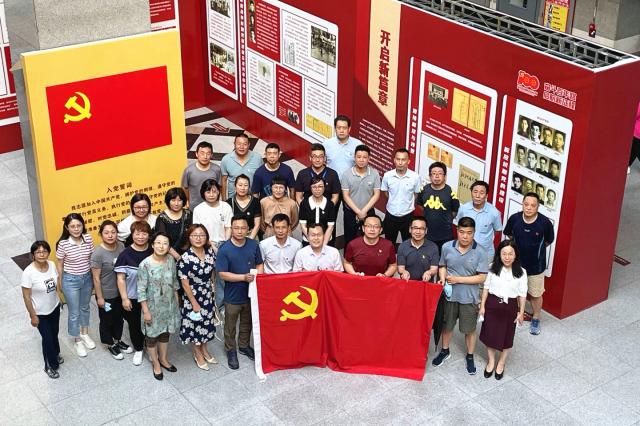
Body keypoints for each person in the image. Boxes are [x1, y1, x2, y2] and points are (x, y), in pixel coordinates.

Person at [431, 217, 488, 375]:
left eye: (469, 233)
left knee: (469, 329)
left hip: (469, 298)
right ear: (457, 231)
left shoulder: (481, 252)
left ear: (474, 233)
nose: (465, 236)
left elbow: (482, 277)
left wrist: (458, 279)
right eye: (462, 232)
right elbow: (442, 265)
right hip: (449, 296)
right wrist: (443, 277)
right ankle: (445, 350)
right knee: (447, 325)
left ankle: (470, 356)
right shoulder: (447, 247)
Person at [216, 215, 264, 370]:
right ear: (231, 228)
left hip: (251, 293)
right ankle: (230, 350)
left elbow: (259, 263)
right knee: (230, 324)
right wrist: (243, 277)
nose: (239, 231)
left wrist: (258, 277)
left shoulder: (253, 244)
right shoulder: (224, 249)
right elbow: (222, 274)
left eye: (243, 228)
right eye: (236, 228)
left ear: (248, 229)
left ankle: (244, 345)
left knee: (247, 321)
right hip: (232, 295)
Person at [503, 192, 555, 335]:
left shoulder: (545, 223)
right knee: (515, 290)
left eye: (533, 205)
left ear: (538, 207)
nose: (529, 208)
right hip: (516, 264)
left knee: (535, 294)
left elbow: (548, 240)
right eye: (526, 204)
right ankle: (517, 313)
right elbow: (510, 235)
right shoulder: (515, 219)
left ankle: (536, 318)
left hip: (536, 267)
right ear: (522, 204)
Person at [479, 240, 527, 380]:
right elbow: (486, 288)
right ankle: (491, 361)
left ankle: (501, 363)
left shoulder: (521, 272)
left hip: (510, 307)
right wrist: (482, 306)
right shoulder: (492, 268)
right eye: (504, 254)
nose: (507, 257)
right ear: (499, 255)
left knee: (507, 336)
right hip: (492, 304)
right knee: (490, 334)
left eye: (510, 254)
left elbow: (522, 294)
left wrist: (521, 312)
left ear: (515, 255)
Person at [137, 232, 181, 381]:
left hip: (168, 306)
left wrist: (176, 305)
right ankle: (155, 363)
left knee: (165, 333)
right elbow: (141, 290)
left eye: (165, 243)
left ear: (169, 247)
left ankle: (163, 359)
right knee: (152, 336)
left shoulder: (170, 260)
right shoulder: (145, 264)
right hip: (152, 307)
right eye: (158, 243)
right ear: (153, 245)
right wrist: (146, 311)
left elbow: (174, 283)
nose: (161, 246)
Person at [178, 225, 218, 371]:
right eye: (195, 235)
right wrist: (194, 302)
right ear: (189, 237)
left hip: (207, 292)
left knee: (207, 322)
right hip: (192, 295)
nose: (198, 238)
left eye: (202, 235)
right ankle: (197, 353)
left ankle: (205, 349)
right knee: (195, 325)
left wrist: (213, 287)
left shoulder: (210, 252)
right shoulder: (185, 257)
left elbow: (212, 271)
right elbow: (184, 283)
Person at [55, 213, 95, 357]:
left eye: (79, 225)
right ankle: (77, 340)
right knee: (74, 312)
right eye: (72, 226)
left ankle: (84, 333)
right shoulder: (63, 244)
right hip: (70, 280)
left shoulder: (88, 238)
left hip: (87, 278)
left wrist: (94, 278)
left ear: (83, 225)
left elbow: (91, 259)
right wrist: (60, 282)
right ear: (67, 228)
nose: (76, 229)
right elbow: (60, 264)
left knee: (85, 307)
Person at [114, 221, 153, 366]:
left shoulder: (154, 251)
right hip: (133, 296)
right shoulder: (125, 254)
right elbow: (121, 279)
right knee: (135, 324)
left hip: (152, 297)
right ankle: (138, 349)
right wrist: (124, 298)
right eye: (137, 233)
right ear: (132, 234)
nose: (141, 237)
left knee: (152, 323)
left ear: (149, 235)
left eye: (144, 233)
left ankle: (151, 347)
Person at [21, 241, 62, 378]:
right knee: (47, 338)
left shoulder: (51, 264)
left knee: (54, 333)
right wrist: (33, 315)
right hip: (40, 313)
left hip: (54, 307)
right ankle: (49, 365)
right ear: (33, 255)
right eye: (38, 252)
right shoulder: (28, 273)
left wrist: (59, 300)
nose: (41, 254)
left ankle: (55, 354)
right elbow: (26, 297)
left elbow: (55, 285)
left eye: (44, 251)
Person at [91, 220, 129, 360]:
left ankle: (118, 340)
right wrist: (100, 297)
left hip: (120, 292)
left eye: (113, 232)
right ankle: (109, 343)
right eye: (106, 233)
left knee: (119, 318)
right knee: (107, 319)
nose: (110, 235)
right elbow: (96, 278)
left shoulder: (121, 246)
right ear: (101, 234)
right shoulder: (98, 253)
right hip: (106, 294)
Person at [193, 179, 232, 309]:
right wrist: (211, 245)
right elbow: (198, 231)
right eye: (208, 191)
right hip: (205, 246)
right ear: (203, 193)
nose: (211, 194)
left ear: (218, 192)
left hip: (224, 245)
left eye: (214, 191)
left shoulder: (225, 206)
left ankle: (221, 307)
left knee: (222, 277)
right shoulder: (198, 209)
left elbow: (228, 227)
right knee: (207, 277)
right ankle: (208, 306)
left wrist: (225, 245)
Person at [341, 144, 381, 246]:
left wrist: (364, 211)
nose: (361, 160)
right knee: (349, 239)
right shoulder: (346, 174)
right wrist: (358, 212)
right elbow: (345, 196)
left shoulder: (374, 174)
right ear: (354, 158)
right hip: (351, 211)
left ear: (369, 159)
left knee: (370, 238)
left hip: (368, 211)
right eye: (359, 157)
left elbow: (376, 194)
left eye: (364, 157)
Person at [381, 148, 422, 246]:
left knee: (409, 244)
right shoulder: (387, 176)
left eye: (403, 159)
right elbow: (386, 192)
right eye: (398, 159)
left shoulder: (415, 177)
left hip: (408, 216)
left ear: (408, 161)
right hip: (391, 215)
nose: (400, 162)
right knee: (389, 244)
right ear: (394, 160)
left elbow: (416, 194)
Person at [455, 181, 502, 264]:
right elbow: (458, 226)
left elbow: (497, 230)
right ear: (471, 193)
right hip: (465, 252)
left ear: (486, 196)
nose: (477, 196)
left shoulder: (494, 212)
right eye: (475, 192)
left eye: (481, 193)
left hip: (485, 254)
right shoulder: (463, 209)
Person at [417, 162, 459, 253]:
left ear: (445, 176)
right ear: (430, 176)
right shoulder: (424, 189)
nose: (436, 176)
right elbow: (420, 205)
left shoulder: (451, 192)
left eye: (440, 173)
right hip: (427, 234)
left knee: (444, 259)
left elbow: (454, 211)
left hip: (445, 235)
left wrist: (446, 218)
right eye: (434, 173)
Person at [155, 187, 193, 261]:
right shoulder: (162, 218)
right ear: (168, 201)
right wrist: (178, 258)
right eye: (173, 200)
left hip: (189, 255)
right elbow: (162, 241)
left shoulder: (188, 214)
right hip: (169, 257)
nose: (176, 204)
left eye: (179, 200)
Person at [220, 133, 263, 199]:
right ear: (234, 144)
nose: (241, 147)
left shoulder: (257, 158)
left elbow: (262, 177)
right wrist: (224, 199)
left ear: (249, 145)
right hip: (233, 198)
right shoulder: (226, 159)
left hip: (252, 199)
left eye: (245, 144)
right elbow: (223, 180)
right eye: (239, 144)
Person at [181, 141, 222, 210]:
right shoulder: (189, 170)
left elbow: (219, 187)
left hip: (212, 206)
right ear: (196, 154)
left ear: (211, 155)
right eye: (202, 153)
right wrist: (188, 201)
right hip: (194, 207)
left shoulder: (217, 169)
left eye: (208, 154)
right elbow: (185, 188)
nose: (205, 157)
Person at [396, 217, 438, 282]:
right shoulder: (402, 246)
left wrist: (429, 273)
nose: (418, 232)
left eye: (422, 228)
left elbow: (434, 269)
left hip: (426, 284)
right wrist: (404, 272)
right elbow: (400, 268)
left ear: (426, 230)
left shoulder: (433, 247)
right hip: (408, 283)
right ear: (410, 229)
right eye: (415, 228)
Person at [299, 177, 336, 245]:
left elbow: (330, 227)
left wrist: (323, 245)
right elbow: (303, 226)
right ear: (310, 188)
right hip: (308, 240)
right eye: (314, 187)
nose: (317, 189)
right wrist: (312, 241)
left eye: (320, 186)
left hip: (326, 241)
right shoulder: (304, 204)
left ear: (324, 188)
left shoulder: (330, 204)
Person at [226, 174, 262, 240]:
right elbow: (228, 225)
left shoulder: (255, 201)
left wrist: (250, 240)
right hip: (234, 237)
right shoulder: (229, 202)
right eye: (240, 185)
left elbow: (257, 225)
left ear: (249, 187)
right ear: (235, 186)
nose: (243, 188)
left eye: (246, 185)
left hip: (252, 235)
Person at [629, 102, 640, 169]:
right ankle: (628, 165)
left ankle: (628, 165)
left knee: (635, 149)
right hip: (637, 132)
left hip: (637, 132)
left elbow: (635, 114)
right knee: (633, 150)